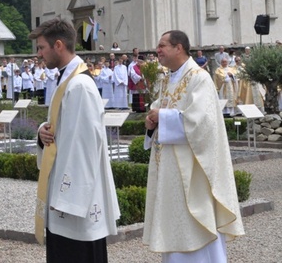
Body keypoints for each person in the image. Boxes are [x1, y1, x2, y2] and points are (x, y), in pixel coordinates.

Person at [143, 30, 244, 261]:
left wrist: (163, 117)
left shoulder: (199, 78)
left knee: (195, 223)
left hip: (192, 170)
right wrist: (151, 121)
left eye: (162, 45)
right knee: (174, 225)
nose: (157, 50)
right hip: (169, 169)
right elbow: (160, 109)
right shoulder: (168, 78)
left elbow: (202, 123)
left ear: (179, 48)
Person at [31, 18, 120, 262]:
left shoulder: (80, 85)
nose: (39, 54)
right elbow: (63, 129)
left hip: (75, 202)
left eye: (41, 48)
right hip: (63, 195)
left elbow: (84, 146)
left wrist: (68, 198)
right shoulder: (67, 80)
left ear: (58, 45)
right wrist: (42, 132)